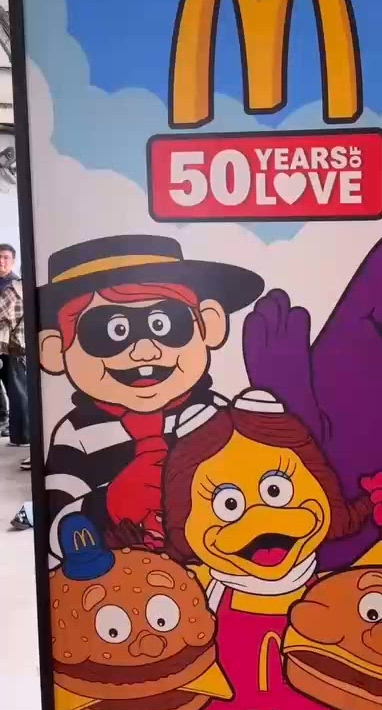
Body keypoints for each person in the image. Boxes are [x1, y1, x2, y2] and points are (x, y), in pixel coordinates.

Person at [38, 233, 263, 564]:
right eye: (110, 332)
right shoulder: (77, 435)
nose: (144, 351)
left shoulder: (215, 417)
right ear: (56, 350)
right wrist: (108, 504)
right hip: (122, 581)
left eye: (164, 324)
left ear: (209, 325)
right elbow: (55, 532)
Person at [0, 243, 29, 449]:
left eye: (5, 257)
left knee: (17, 391)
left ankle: (24, 436)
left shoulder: (15, 285)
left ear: (13, 260)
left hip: (13, 347)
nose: (1, 261)